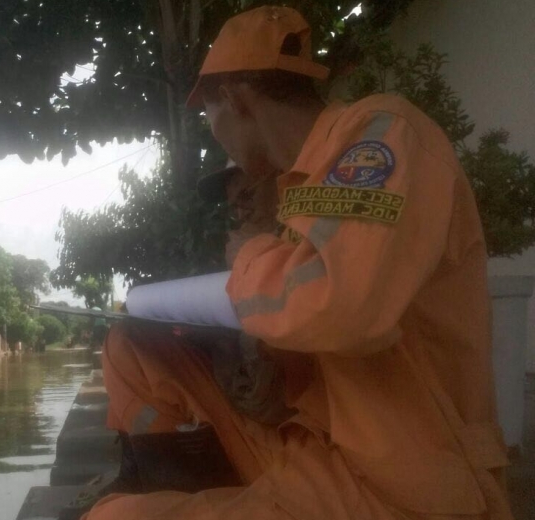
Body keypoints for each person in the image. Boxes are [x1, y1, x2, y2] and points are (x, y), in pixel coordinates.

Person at [83, 6, 513, 520]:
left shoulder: (381, 134)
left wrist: (250, 255)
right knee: (133, 346)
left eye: (209, 114)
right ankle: (179, 491)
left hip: (398, 480)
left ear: (236, 97)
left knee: (111, 518)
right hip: (311, 445)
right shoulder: (302, 186)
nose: (212, 134)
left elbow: (338, 301)